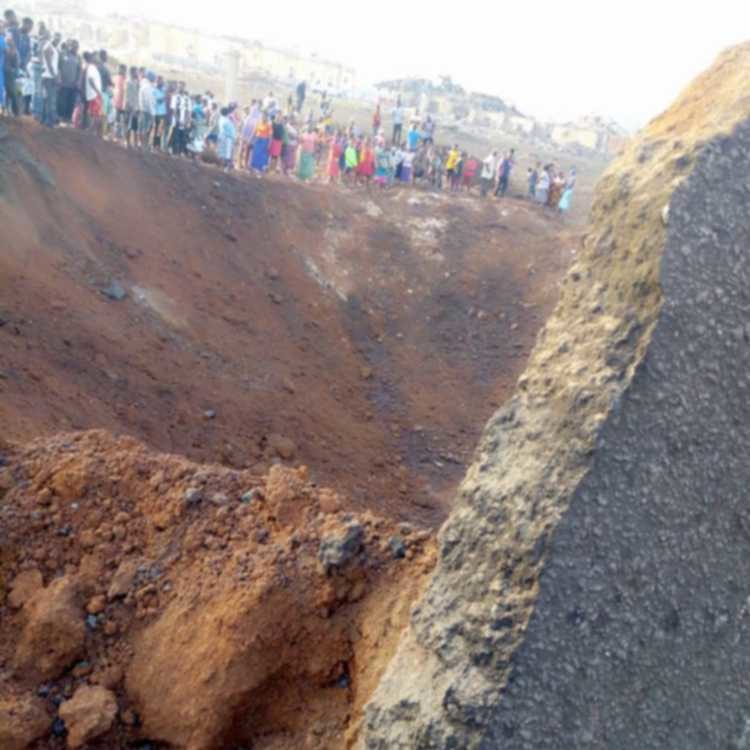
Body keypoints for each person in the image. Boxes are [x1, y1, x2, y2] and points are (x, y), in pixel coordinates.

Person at [40, 26, 58, 127]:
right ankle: (49, 122)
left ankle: (43, 120)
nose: (57, 38)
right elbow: (48, 62)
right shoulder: (48, 46)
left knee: (47, 99)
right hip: (48, 77)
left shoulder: (52, 47)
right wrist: (53, 75)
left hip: (48, 76)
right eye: (56, 36)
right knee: (49, 100)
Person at [57, 40, 80, 123]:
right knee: (62, 101)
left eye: (77, 47)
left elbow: (79, 70)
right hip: (63, 82)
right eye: (74, 46)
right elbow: (58, 67)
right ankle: (60, 117)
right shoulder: (63, 54)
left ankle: (68, 118)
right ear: (69, 46)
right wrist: (59, 78)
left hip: (73, 84)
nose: (75, 48)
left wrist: (77, 81)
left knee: (71, 102)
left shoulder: (78, 57)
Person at [83, 51, 103, 133]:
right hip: (94, 95)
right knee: (96, 114)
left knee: (94, 114)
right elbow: (91, 80)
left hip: (94, 94)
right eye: (96, 57)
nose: (98, 58)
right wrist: (98, 92)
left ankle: (91, 131)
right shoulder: (91, 68)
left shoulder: (93, 68)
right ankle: (91, 131)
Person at [3, 33, 19, 116]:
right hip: (3, 72)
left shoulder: (13, 50)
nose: (9, 41)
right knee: (7, 92)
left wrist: (15, 71)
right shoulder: (3, 48)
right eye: (7, 39)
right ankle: (6, 110)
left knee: (12, 92)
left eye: (10, 39)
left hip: (9, 73)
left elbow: (16, 62)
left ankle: (14, 111)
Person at [137, 71, 155, 149]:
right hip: (147, 111)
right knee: (144, 129)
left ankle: (140, 144)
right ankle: (142, 145)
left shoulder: (143, 85)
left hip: (142, 110)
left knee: (141, 129)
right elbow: (149, 101)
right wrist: (152, 113)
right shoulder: (148, 87)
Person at [217, 106, 236, 170]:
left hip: (223, 137)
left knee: (222, 152)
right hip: (227, 138)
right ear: (227, 113)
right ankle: (226, 167)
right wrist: (234, 138)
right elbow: (232, 132)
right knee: (227, 153)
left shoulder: (221, 119)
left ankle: (224, 166)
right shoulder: (227, 121)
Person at [124, 66, 139, 147]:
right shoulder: (128, 82)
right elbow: (128, 96)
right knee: (128, 125)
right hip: (129, 107)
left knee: (134, 126)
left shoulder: (136, 82)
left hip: (135, 107)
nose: (137, 73)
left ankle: (133, 143)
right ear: (132, 73)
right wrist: (132, 107)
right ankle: (127, 142)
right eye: (136, 72)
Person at [152, 75, 166, 149]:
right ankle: (154, 144)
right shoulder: (154, 89)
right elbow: (158, 100)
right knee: (155, 129)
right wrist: (165, 97)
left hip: (162, 113)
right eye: (159, 81)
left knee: (159, 130)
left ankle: (157, 144)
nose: (160, 82)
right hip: (156, 112)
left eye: (161, 81)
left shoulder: (164, 89)